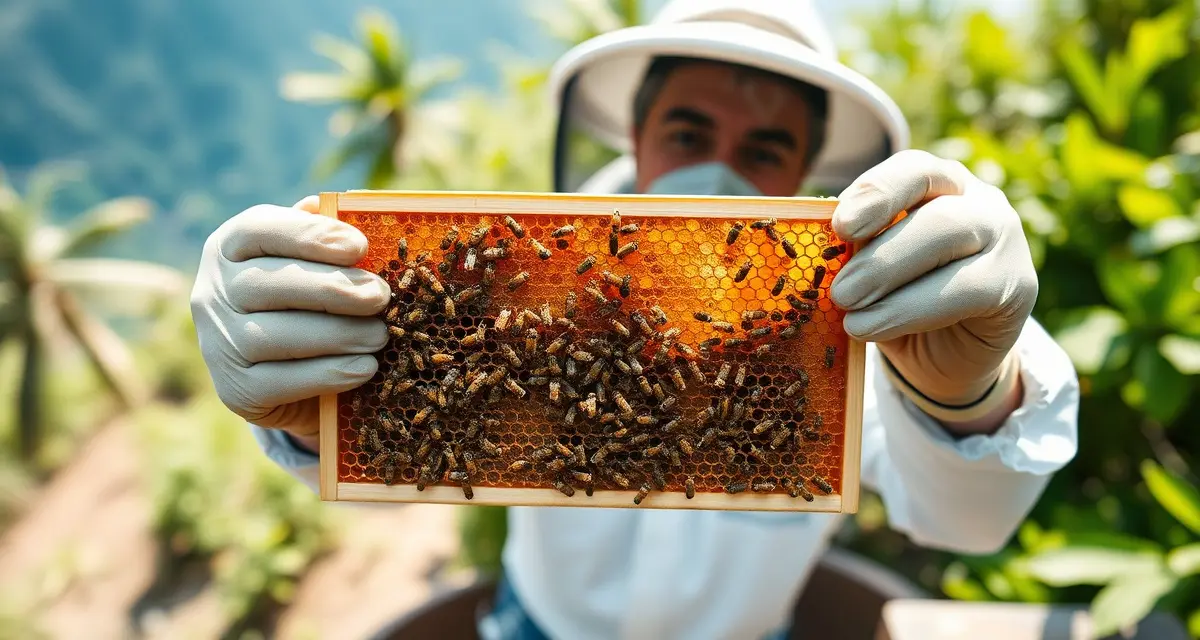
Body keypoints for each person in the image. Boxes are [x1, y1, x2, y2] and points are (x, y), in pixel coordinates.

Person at [189, 2, 1080, 638]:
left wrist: (970, 394)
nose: (720, 170)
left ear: (809, 167)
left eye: (765, 149)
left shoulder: (844, 313)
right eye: (687, 134)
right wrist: (315, 412)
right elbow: (407, 447)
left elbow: (968, 522)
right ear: (637, 136)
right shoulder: (519, 279)